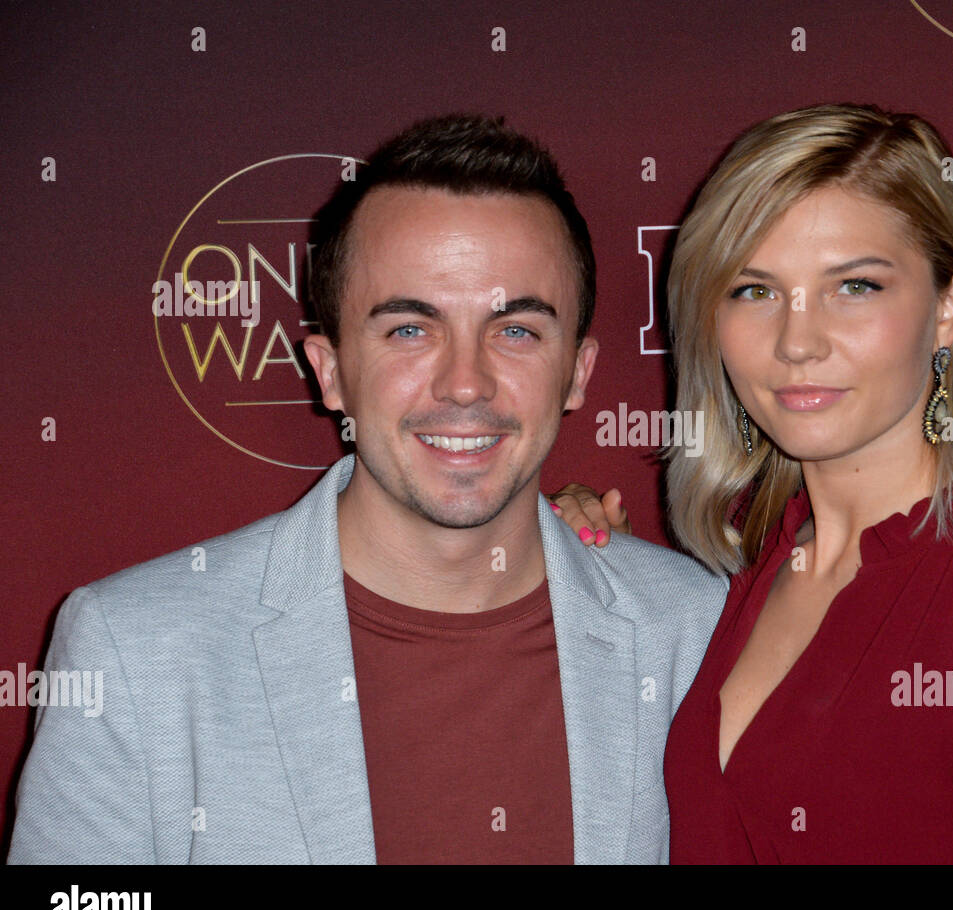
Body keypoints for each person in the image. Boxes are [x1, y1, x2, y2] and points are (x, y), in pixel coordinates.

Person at [7, 114, 727, 865]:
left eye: (515, 330)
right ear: (329, 370)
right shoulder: (135, 652)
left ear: (577, 373)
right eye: (409, 330)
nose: (465, 382)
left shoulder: (689, 627)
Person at [551, 103, 953, 863]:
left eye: (855, 286)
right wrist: (591, 558)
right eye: (755, 289)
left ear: (949, 308)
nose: (798, 341)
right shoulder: (753, 569)